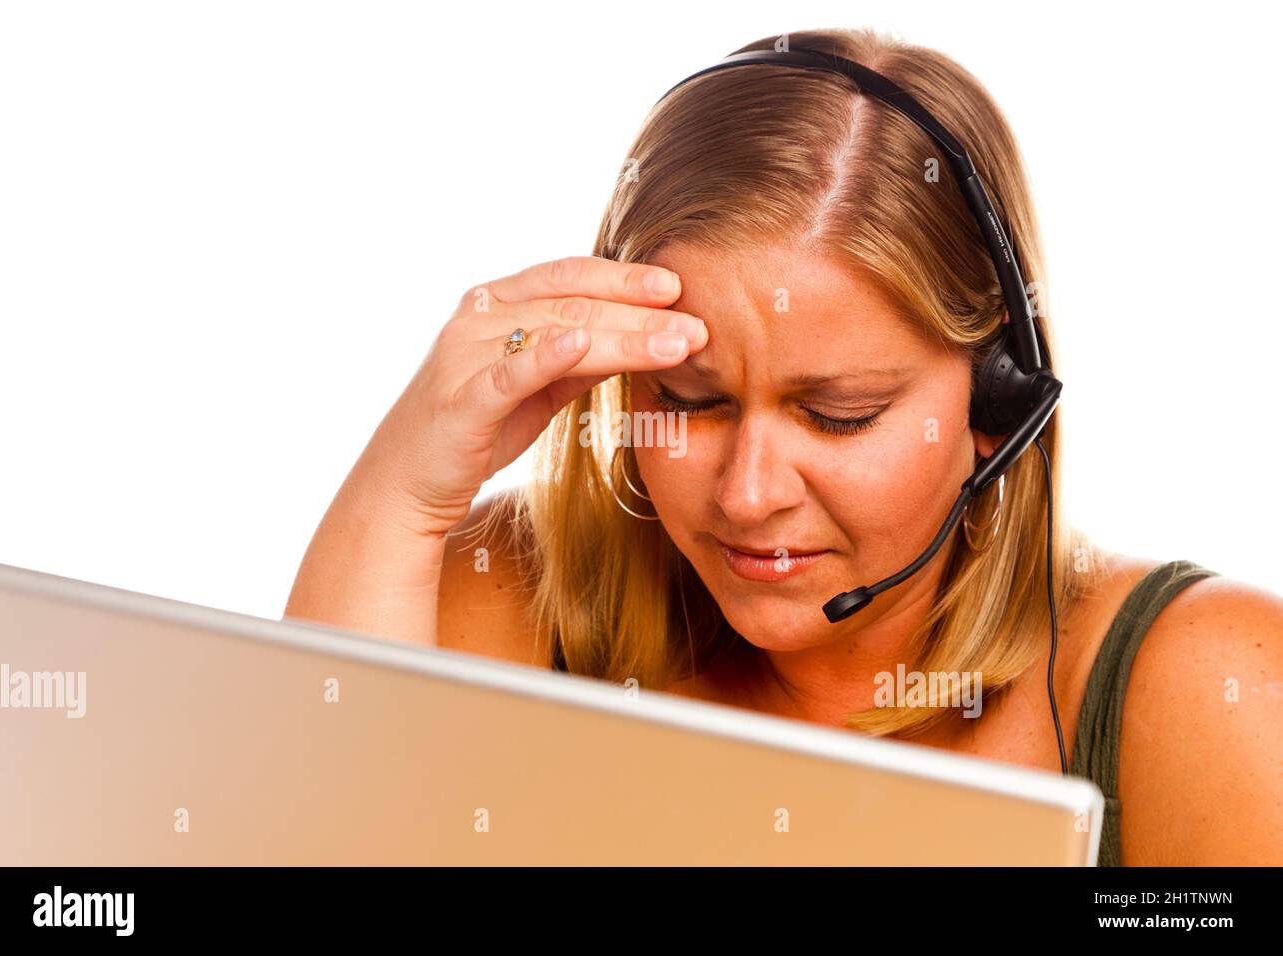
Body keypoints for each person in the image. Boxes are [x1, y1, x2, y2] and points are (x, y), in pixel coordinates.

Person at [283, 27, 1283, 865]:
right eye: (689, 399)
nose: (749, 493)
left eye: (838, 412)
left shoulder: (1209, 682)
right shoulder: (499, 598)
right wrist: (403, 496)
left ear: (997, 399)